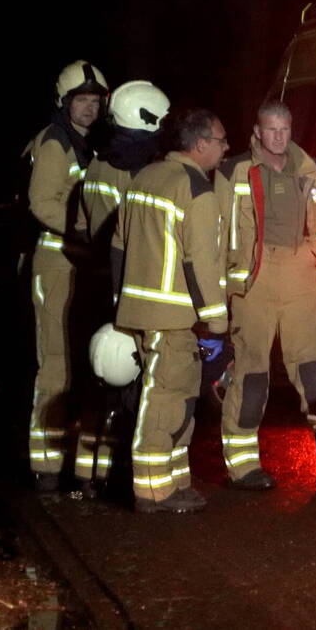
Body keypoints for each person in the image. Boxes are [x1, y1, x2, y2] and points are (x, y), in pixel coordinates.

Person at [215, 100, 316, 491]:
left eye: (284, 130)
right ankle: (243, 467)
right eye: (271, 130)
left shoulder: (315, 170)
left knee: (314, 370)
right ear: (257, 131)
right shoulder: (232, 170)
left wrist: (315, 252)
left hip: (299, 272)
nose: (278, 137)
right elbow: (217, 227)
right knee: (251, 372)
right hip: (253, 278)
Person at [111, 108, 229, 513]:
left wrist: (119, 301)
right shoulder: (197, 189)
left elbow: (118, 246)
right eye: (220, 140)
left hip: (139, 308)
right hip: (175, 316)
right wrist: (216, 321)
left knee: (176, 399)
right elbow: (202, 263)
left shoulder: (146, 176)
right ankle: (153, 489)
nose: (225, 147)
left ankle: (176, 482)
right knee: (166, 400)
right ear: (200, 145)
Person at [73, 80, 170, 494]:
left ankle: (97, 473)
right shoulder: (119, 170)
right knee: (115, 382)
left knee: (113, 382)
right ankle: (101, 475)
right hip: (115, 287)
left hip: (112, 285)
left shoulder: (114, 166)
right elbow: (120, 237)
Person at [26, 60, 108, 491]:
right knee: (55, 363)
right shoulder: (56, 143)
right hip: (57, 263)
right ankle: (45, 465)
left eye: (95, 101)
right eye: (82, 100)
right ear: (64, 102)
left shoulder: (82, 144)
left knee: (77, 365)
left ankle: (65, 457)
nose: (90, 108)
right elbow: (42, 202)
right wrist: (84, 229)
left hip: (78, 263)